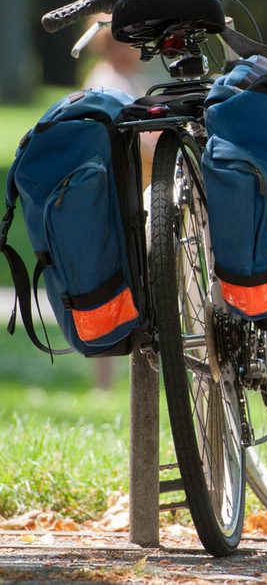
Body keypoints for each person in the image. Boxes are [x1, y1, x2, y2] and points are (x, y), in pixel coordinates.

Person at [81, 21, 152, 391]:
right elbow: (133, 141)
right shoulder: (110, 83)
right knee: (114, 285)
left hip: (129, 192)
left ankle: (107, 383)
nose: (137, 51)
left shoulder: (122, 79)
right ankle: (105, 383)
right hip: (120, 195)